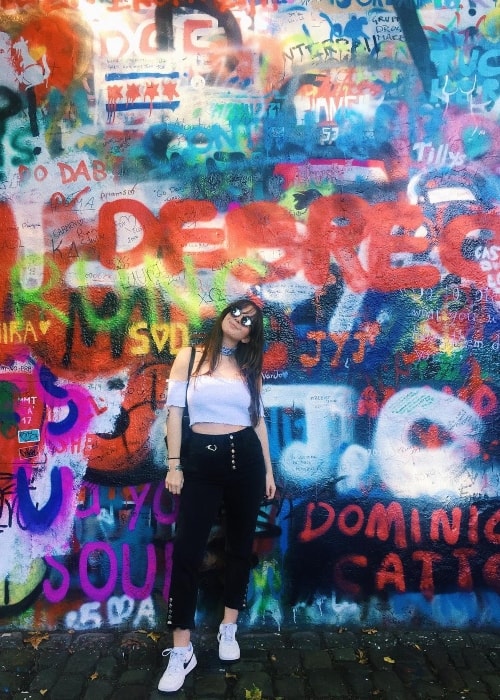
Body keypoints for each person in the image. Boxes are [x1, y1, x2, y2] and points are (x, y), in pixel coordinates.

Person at [158, 298, 276, 693]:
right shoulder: (188, 358)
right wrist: (174, 464)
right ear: (224, 315)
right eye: (237, 314)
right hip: (199, 464)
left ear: (251, 334)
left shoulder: (249, 367)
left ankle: (229, 626)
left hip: (246, 460)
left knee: (240, 547)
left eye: (249, 322)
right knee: (187, 552)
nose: (240, 322)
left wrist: (269, 470)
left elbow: (257, 420)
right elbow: (174, 412)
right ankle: (182, 649)